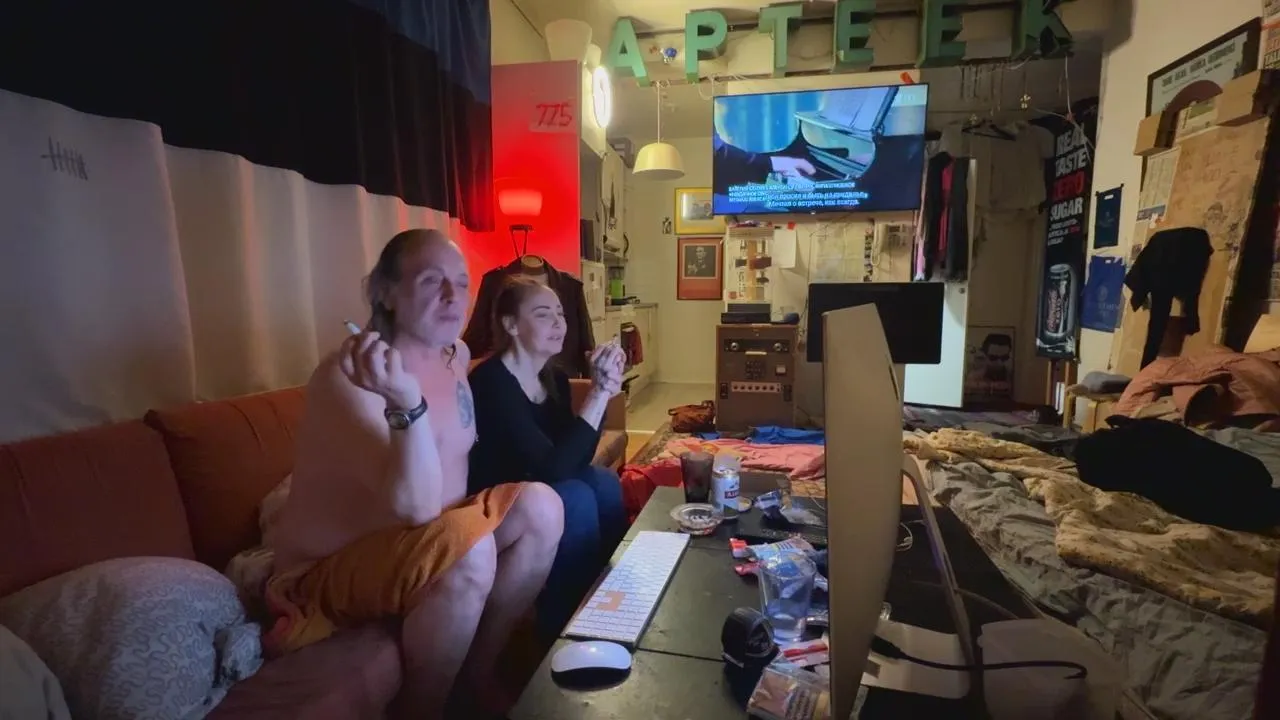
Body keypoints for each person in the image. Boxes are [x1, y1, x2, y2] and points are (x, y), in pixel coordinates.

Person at [268, 229, 564, 720]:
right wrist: (406, 400)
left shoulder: (457, 357)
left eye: (461, 283)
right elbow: (417, 508)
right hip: (327, 572)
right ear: (385, 292)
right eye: (431, 281)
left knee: (543, 507)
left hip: (420, 545)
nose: (452, 296)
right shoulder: (351, 377)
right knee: (470, 550)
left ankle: (476, 676)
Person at [467, 275, 628, 638]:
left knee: (603, 482)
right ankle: (564, 624)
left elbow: (576, 456)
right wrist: (599, 393)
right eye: (543, 314)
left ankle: (611, 596)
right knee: (576, 496)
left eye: (560, 313)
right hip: (497, 499)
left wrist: (602, 392)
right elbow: (551, 470)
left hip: (540, 483)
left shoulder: (552, 377)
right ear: (511, 325)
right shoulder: (492, 382)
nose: (559, 323)